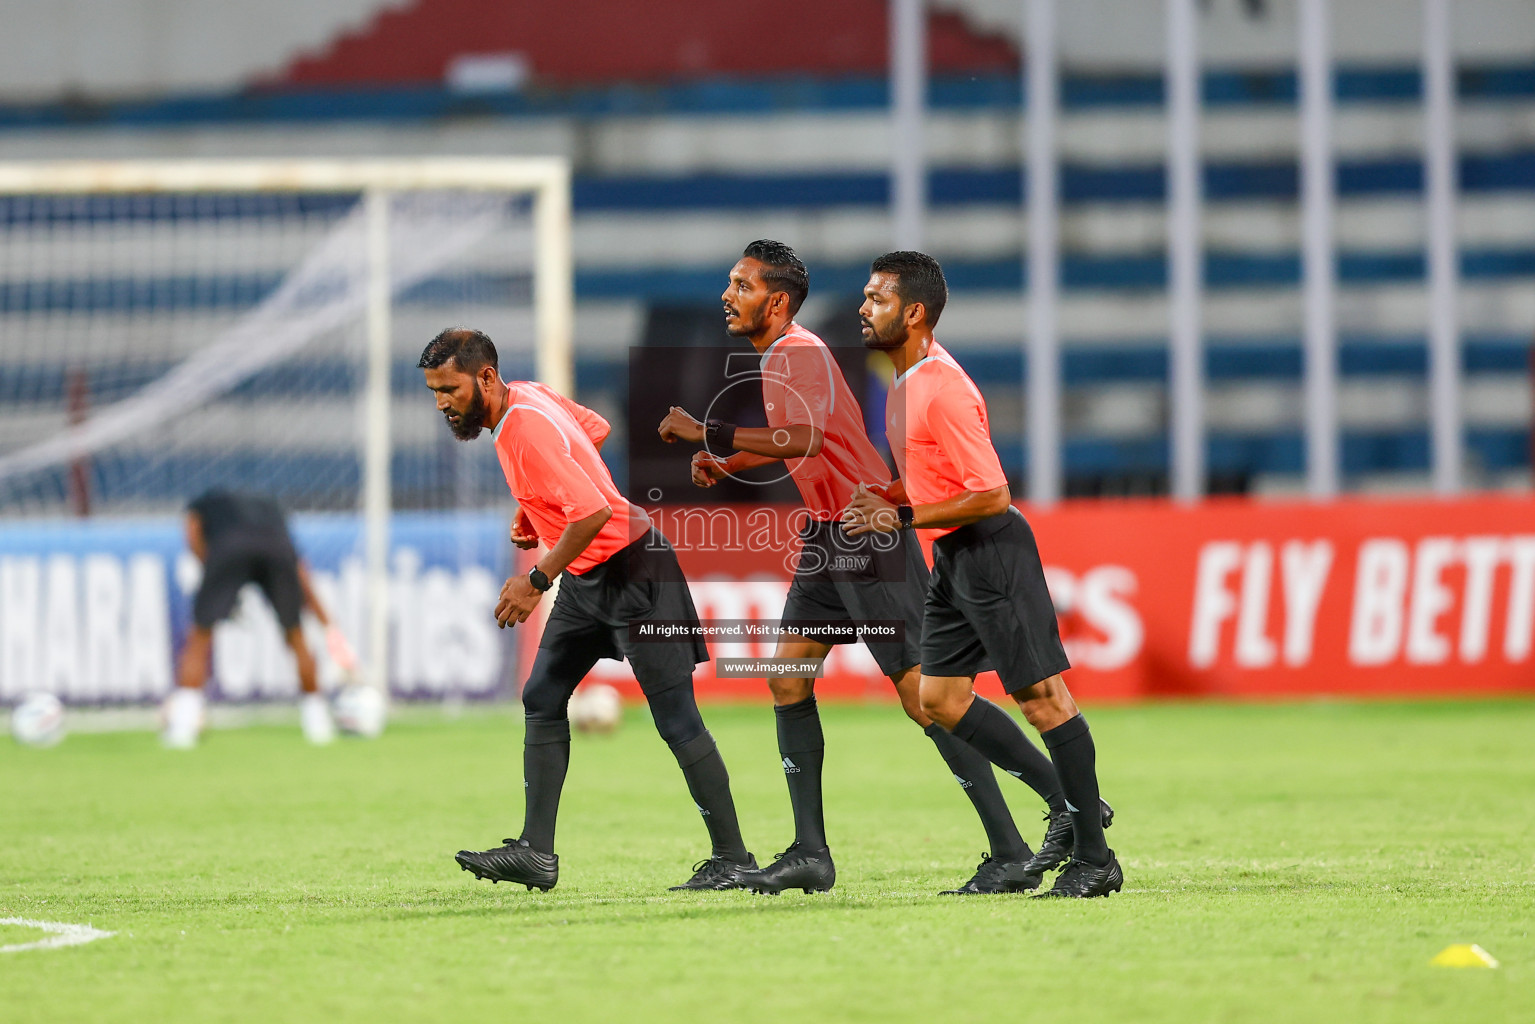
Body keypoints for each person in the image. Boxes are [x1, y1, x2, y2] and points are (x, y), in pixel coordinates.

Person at [658, 240, 1080, 895]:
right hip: (828, 538)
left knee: (927, 701)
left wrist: (707, 434)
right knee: (786, 677)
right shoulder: (780, 357)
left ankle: (1041, 823)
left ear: (774, 301)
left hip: (869, 539)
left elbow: (807, 437)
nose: (726, 295)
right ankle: (809, 852)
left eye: (740, 285)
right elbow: (804, 443)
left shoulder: (797, 353)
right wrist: (730, 465)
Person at [420, 327, 755, 892]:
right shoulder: (528, 398)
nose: (441, 404)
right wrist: (541, 509)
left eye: (449, 389)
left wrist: (535, 579)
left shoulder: (523, 426)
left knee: (676, 720)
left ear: (484, 378)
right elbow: (593, 430)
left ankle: (734, 857)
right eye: (434, 392)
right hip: (587, 575)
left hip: (634, 569)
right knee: (542, 695)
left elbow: (595, 511)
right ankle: (536, 853)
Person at [842, 251, 1122, 898]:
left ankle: (1094, 858)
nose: (863, 307)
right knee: (937, 700)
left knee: (1043, 702)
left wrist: (903, 516)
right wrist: (889, 495)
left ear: (913, 313)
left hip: (991, 550)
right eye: (864, 296)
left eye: (877, 298)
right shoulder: (903, 382)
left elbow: (991, 493)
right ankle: (1065, 806)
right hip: (953, 556)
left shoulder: (941, 387)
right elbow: (931, 477)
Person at [163, 489, 354, 749]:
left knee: (200, 636)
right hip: (276, 552)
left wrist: (211, 572)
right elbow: (300, 571)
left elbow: (193, 529)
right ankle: (318, 725)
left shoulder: (207, 502)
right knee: (295, 635)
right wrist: (329, 626)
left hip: (227, 548)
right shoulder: (271, 509)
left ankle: (183, 728)